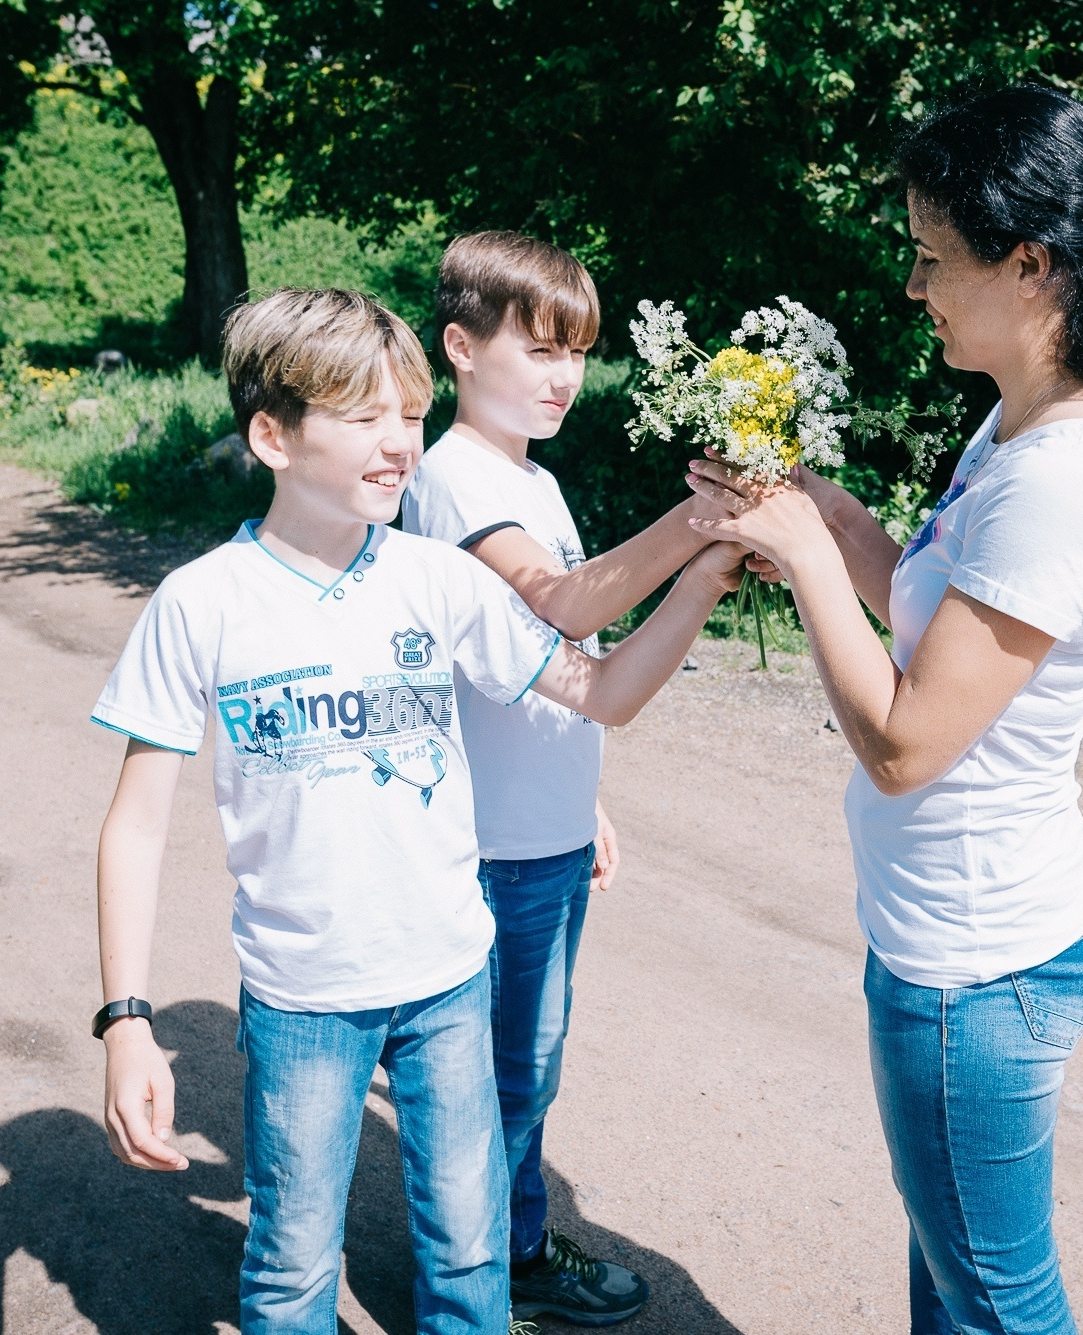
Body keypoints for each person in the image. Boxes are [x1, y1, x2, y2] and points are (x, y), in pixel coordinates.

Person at [89, 287, 746, 1335]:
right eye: (364, 418)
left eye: (408, 413)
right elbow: (132, 826)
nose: (400, 444)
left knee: (470, 1256)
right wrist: (127, 1025)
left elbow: (602, 694)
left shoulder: (438, 581)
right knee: (292, 1268)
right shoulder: (200, 604)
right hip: (302, 998)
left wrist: (703, 575)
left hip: (451, 979)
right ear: (271, 433)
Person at [682, 86, 1083, 1334]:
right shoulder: (1020, 423)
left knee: (994, 1302)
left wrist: (805, 564)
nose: (913, 288)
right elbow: (930, 607)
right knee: (952, 1273)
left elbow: (908, 745)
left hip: (971, 971)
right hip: (956, 941)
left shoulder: (1067, 476)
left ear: (1028, 266)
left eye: (932, 259)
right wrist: (820, 512)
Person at [400, 230, 726, 1325]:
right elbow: (564, 608)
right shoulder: (452, 480)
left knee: (520, 1073)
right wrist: (699, 522)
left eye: (576, 352)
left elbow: (526, 674)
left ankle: (511, 1257)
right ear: (458, 345)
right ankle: (486, 1286)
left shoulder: (525, 476)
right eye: (538, 348)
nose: (562, 376)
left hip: (537, 834)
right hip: (487, 853)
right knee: (492, 1083)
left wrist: (579, 797)